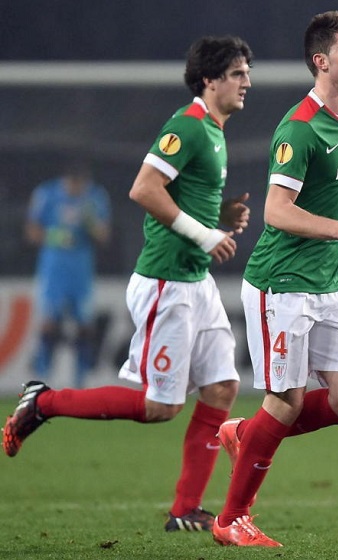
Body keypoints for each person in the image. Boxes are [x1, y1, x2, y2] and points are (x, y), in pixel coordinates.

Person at [3, 36, 253, 532]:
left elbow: (178, 196)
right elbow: (143, 188)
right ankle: (43, 401)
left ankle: (184, 511)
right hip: (166, 282)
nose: (247, 82)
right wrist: (205, 233)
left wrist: (218, 216)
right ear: (210, 79)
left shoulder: (216, 132)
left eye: (247, 73)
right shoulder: (190, 125)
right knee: (160, 407)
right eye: (238, 73)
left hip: (194, 281)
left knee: (223, 387)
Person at [210, 11, 338, 548]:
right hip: (280, 284)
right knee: (284, 401)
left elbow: (323, 201)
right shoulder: (300, 128)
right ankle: (230, 519)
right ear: (321, 60)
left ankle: (246, 433)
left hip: (325, 286)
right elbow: (278, 211)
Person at [25, 162, 111, 388]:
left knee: (84, 326)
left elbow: (104, 236)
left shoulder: (95, 196)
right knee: (50, 323)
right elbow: (32, 231)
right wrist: (54, 236)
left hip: (81, 269)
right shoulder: (47, 193)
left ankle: (81, 380)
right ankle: (42, 377)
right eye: (74, 184)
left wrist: (91, 223)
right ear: (67, 180)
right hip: (53, 268)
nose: (77, 189)